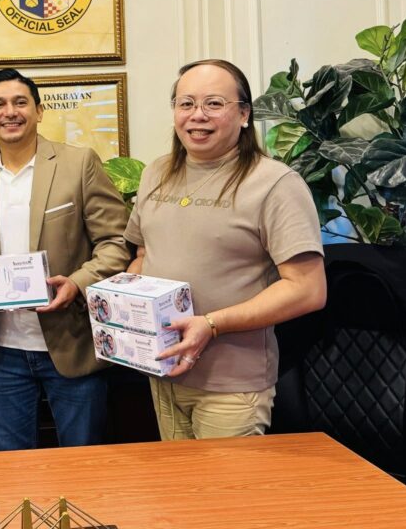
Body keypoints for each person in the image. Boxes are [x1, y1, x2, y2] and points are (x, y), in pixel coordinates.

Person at [125, 59, 326, 440]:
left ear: (244, 114)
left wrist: (212, 324)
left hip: (232, 386)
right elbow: (142, 255)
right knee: (179, 480)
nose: (197, 115)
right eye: (186, 103)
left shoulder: (275, 183)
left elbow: (307, 289)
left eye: (214, 103)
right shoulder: (155, 173)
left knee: (225, 483)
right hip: (164, 373)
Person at [0, 68, 130, 451]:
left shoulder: (78, 163)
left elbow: (116, 241)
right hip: (0, 350)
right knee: (12, 468)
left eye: (20, 102)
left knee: (82, 465)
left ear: (38, 110)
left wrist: (78, 283)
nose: (10, 112)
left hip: (71, 344)